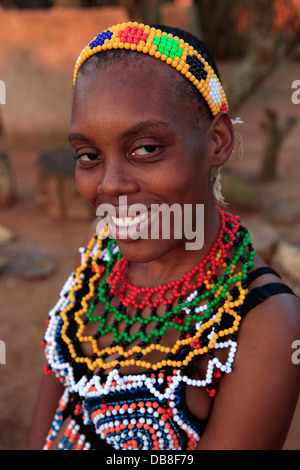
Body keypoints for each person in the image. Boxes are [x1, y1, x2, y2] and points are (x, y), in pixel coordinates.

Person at [28, 22, 300, 451]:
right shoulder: (101, 253)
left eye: (147, 148)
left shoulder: (266, 325)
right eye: (89, 156)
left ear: (218, 141)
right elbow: (47, 424)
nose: (111, 185)